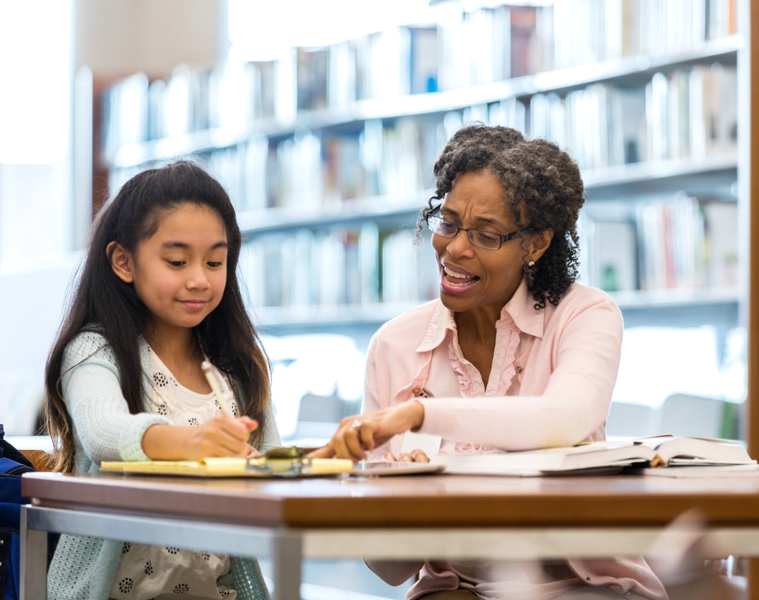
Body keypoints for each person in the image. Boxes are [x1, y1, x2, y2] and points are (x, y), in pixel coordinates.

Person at [312, 125, 667, 600]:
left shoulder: (584, 315)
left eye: (485, 234)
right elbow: (389, 570)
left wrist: (421, 414)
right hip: (455, 589)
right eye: (449, 222)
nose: (456, 248)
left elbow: (566, 417)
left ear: (536, 244)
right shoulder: (395, 347)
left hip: (583, 586)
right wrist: (402, 500)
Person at [43, 162, 280, 600]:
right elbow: (102, 432)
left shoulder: (237, 367)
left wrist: (325, 456)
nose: (199, 279)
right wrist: (190, 444)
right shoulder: (94, 351)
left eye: (215, 261)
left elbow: (271, 470)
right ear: (123, 262)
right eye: (176, 261)